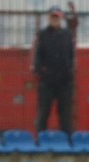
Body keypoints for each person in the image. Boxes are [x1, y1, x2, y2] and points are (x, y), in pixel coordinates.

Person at [32, 5, 75, 134]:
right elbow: (38, 56)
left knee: (65, 115)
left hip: (64, 81)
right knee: (43, 113)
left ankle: (67, 141)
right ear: (49, 18)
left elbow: (71, 55)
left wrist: (69, 71)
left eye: (57, 17)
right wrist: (41, 71)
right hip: (47, 81)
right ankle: (40, 139)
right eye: (53, 17)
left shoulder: (67, 35)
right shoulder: (43, 35)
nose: (55, 20)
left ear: (61, 19)